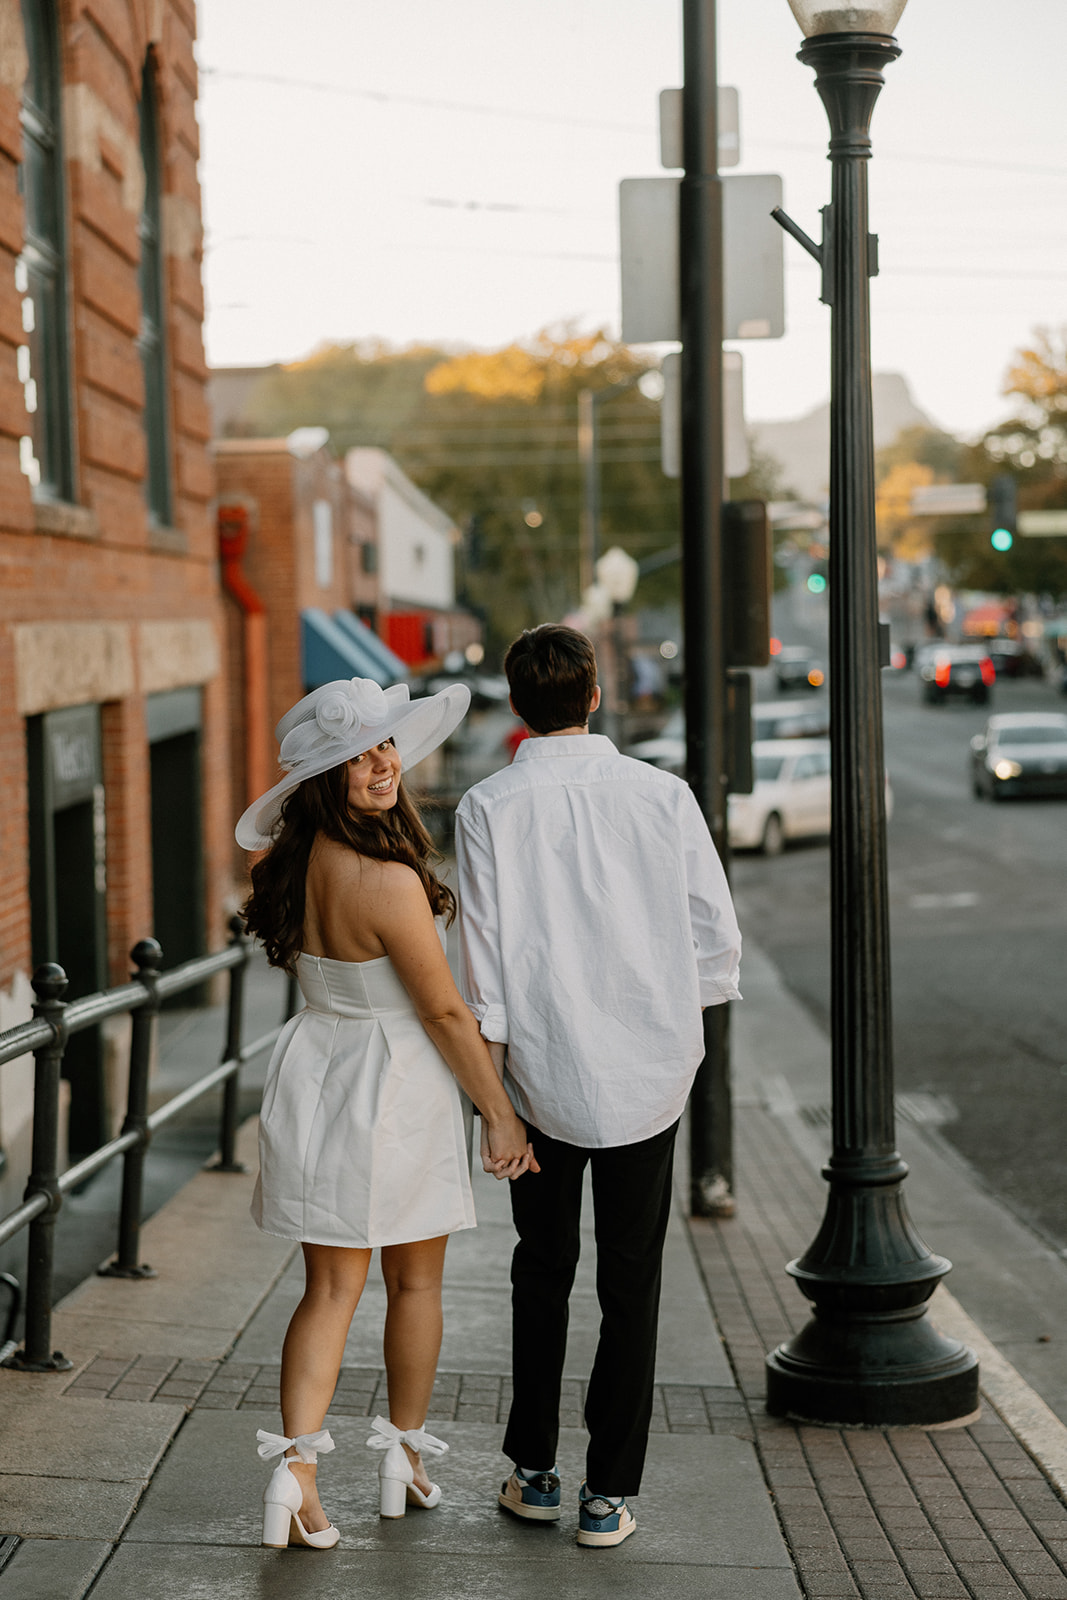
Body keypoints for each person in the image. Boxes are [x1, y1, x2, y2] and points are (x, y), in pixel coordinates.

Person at [455, 625, 741, 1549]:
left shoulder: (486, 807)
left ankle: (533, 1472)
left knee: (540, 1274)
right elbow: (714, 939)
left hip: (538, 1076)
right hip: (648, 1073)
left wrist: (492, 1098)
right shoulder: (663, 796)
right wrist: (668, 1021)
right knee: (632, 1283)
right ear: (594, 695)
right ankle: (608, 1493)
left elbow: (484, 971)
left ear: (514, 705)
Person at [236, 676, 535, 1550]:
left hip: (316, 1065)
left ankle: (298, 1474)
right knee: (415, 1282)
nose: (379, 765)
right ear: (324, 777)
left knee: (327, 1288)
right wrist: (500, 1114)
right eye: (356, 756)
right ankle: (398, 1457)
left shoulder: (295, 866)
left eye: (385, 747)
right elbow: (442, 1013)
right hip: (393, 1083)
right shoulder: (389, 881)